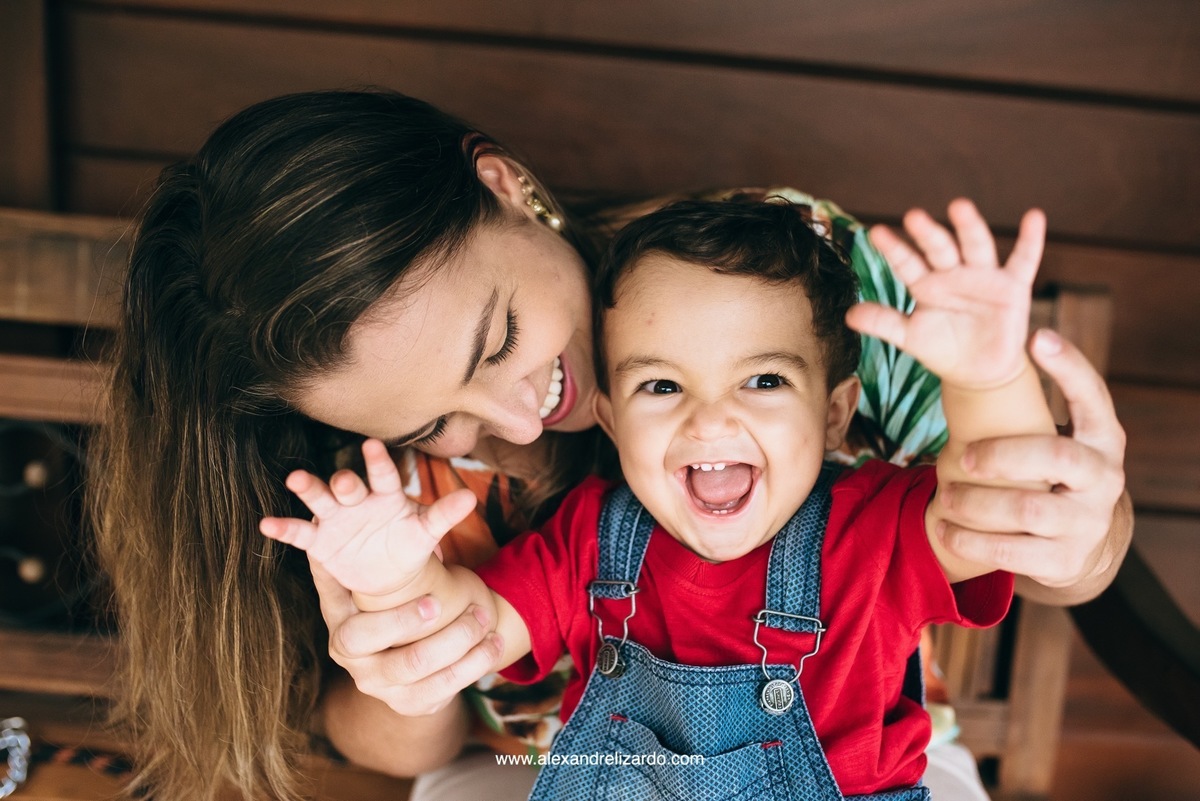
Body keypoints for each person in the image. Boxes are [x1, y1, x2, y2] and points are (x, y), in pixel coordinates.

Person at [89, 89, 1132, 801]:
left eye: (498, 341)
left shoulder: (756, 282)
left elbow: (1010, 513)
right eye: (429, 424)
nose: (512, 421)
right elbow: (444, 684)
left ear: (506, 188)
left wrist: (1023, 431)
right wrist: (397, 618)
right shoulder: (451, 501)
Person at [260, 196, 1057, 799]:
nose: (711, 417)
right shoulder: (591, 540)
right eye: (662, 384)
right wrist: (395, 579)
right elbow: (473, 628)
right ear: (610, 417)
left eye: (764, 379)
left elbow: (1000, 501)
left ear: (834, 412)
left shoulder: (875, 527)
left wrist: (990, 377)